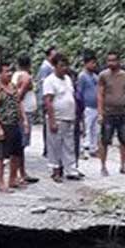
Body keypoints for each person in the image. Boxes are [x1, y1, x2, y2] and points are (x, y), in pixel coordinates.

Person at [0, 61, 29, 193]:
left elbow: (19, 103)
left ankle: (12, 179)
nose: (9, 74)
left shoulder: (13, 86)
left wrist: (25, 120)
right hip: (3, 124)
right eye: (6, 71)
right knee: (1, 155)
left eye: (11, 71)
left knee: (16, 153)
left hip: (14, 124)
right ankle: (1, 183)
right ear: (0, 73)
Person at [43, 52, 84, 181]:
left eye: (66, 65)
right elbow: (48, 101)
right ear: (55, 66)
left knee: (69, 144)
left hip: (70, 116)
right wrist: (52, 120)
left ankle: (71, 169)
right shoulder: (50, 80)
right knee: (55, 145)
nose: (64, 68)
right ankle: (56, 170)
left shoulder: (67, 79)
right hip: (58, 117)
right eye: (61, 65)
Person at [97, 51, 125, 176]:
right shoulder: (103, 76)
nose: (111, 63)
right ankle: (103, 166)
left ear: (118, 61)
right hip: (108, 113)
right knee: (105, 140)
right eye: (109, 60)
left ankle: (123, 166)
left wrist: (122, 101)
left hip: (122, 112)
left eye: (113, 60)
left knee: (124, 140)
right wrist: (100, 112)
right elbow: (100, 94)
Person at [14, 55, 39, 184]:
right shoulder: (25, 77)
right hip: (24, 112)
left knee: (20, 144)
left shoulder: (16, 75)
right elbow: (19, 96)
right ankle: (21, 173)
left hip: (24, 111)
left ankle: (20, 172)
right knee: (21, 144)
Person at [78, 53, 100, 157]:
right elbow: (79, 92)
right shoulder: (82, 76)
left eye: (95, 63)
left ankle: (93, 148)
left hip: (96, 106)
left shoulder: (96, 77)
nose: (94, 65)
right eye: (92, 63)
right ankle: (82, 148)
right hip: (87, 106)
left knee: (95, 129)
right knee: (86, 128)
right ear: (86, 63)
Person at [37, 47, 57, 156]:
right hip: (46, 99)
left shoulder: (50, 67)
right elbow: (43, 84)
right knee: (47, 123)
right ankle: (47, 148)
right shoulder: (46, 68)